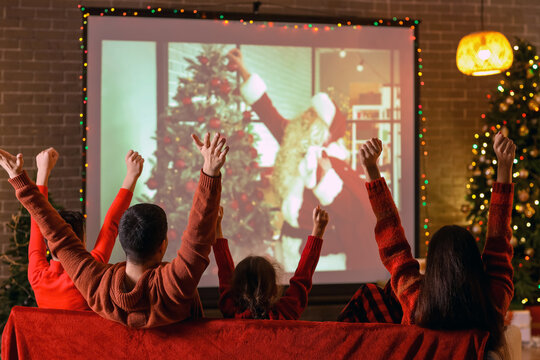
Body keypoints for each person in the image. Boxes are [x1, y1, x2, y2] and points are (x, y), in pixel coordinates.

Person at [0, 133, 229, 328]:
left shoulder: (97, 287)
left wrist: (21, 180)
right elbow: (197, 240)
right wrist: (210, 172)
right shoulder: (174, 287)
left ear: (123, 241)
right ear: (163, 246)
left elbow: (58, 236)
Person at [359, 133, 514, 356]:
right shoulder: (492, 301)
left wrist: (372, 170)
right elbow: (499, 242)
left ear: (432, 269)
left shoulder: (416, 304)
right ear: (474, 264)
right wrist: (504, 166)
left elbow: (394, 246)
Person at [227, 48, 375, 270]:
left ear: (322, 128)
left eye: (312, 115)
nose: (305, 116)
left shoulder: (333, 162)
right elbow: (267, 110)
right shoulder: (294, 139)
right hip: (290, 241)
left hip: (317, 250)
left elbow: (354, 210)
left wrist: (327, 181)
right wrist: (243, 69)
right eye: (308, 111)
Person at [29, 148, 143, 310]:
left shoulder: (37, 275)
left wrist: (43, 172)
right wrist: (132, 175)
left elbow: (37, 221)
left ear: (47, 242)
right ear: (81, 241)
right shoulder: (90, 271)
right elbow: (111, 225)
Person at [213, 205, 328, 319]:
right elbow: (302, 278)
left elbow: (225, 273)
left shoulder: (231, 312)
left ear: (235, 287)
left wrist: (217, 226)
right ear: (273, 289)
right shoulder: (284, 313)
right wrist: (318, 230)